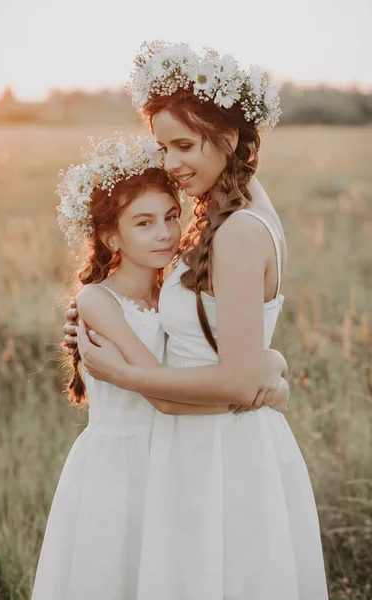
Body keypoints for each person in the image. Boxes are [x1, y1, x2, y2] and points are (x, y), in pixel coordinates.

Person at [70, 43, 329, 599]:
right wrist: (272, 367)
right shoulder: (239, 212)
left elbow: (236, 379)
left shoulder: (236, 232)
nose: (171, 162)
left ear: (229, 136)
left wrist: (120, 374)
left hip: (220, 450)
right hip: (207, 442)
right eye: (164, 146)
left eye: (184, 145)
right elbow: (245, 354)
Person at [33, 134, 288, 600]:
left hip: (170, 458)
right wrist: (257, 395)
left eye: (171, 217)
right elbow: (161, 394)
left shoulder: (171, 287)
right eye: (144, 223)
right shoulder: (96, 299)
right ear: (111, 236)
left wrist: (272, 361)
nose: (166, 234)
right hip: (122, 465)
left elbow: (206, 351)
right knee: (119, 575)